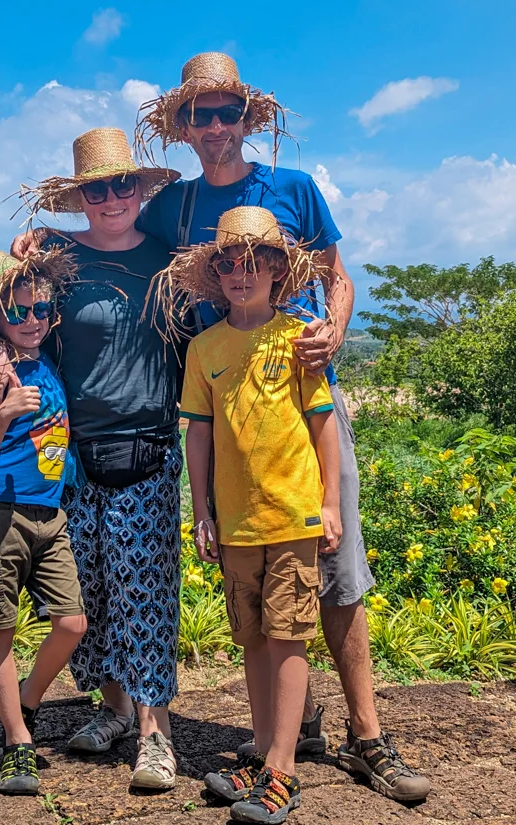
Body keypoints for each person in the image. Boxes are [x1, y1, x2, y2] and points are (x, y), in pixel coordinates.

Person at [134, 53, 430, 802]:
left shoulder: (293, 188)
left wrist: (333, 328)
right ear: (182, 128)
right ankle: (277, 740)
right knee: (261, 603)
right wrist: (35, 253)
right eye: (197, 116)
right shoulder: (174, 208)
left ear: (247, 118)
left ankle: (366, 735)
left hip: (306, 406)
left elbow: (338, 274)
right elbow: (113, 232)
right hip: (231, 433)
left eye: (225, 112)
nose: (213, 128)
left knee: (339, 570)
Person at [18, 127, 186, 790]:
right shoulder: (55, 261)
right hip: (77, 456)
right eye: (98, 187)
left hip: (148, 446)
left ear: (142, 189)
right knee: (93, 592)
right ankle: (115, 708)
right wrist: (19, 259)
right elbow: (13, 318)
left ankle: (155, 732)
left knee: (147, 593)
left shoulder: (170, 258)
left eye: (123, 184)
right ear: (81, 196)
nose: (112, 197)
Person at [168, 206, 341, 824]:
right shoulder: (204, 347)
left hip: (293, 516)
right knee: (252, 638)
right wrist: (201, 510)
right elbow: (200, 436)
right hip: (235, 522)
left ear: (276, 270)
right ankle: (266, 751)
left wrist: (329, 503)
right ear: (216, 274)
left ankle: (283, 771)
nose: (242, 273)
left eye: (255, 262)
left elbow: (322, 427)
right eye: (229, 263)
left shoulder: (299, 337)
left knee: (289, 637)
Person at [0, 248, 87, 796]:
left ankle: (28, 705)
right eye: (18, 312)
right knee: (1, 629)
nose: (32, 319)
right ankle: (17, 744)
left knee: (72, 623)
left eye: (42, 309)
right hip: (0, 516)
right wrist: (4, 411)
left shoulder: (43, 358)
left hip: (49, 516)